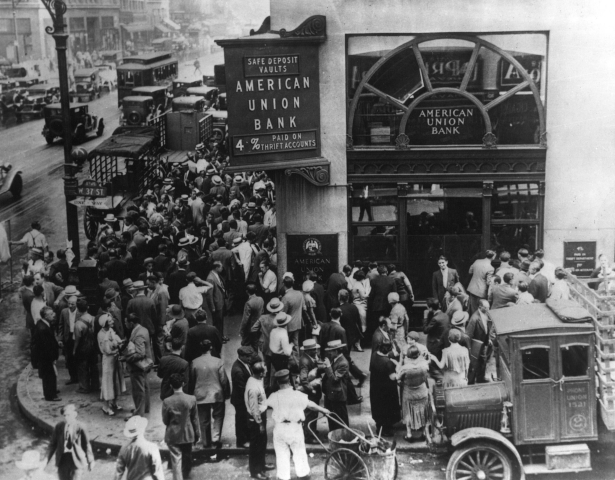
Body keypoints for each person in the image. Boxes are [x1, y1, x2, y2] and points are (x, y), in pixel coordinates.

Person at [266, 369, 330, 480]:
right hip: (295, 428)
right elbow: (311, 405)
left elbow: (263, 405)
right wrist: (324, 410)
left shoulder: (273, 396)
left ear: (277, 382)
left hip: (280, 428)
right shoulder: (298, 395)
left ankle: (283, 476)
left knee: (281, 454)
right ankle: (303, 474)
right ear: (290, 381)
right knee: (299, 451)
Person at [188, 339, 230, 449]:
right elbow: (223, 380)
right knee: (218, 416)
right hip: (216, 393)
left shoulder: (194, 362)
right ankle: (216, 439)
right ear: (210, 348)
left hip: (200, 393)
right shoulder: (218, 361)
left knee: (203, 419)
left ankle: (206, 442)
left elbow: (192, 380)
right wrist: (226, 392)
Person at [162, 373, 201, 480]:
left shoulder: (167, 401)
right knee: (187, 457)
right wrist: (197, 434)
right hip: (188, 434)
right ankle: (187, 476)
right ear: (183, 384)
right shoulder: (191, 399)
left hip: (173, 434)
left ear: (171, 385)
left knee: (176, 461)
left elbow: (165, 420)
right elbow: (195, 419)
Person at [46, 404, 94, 480]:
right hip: (62, 459)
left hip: (76, 458)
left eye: (69, 415)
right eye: (65, 415)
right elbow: (52, 444)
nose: (66, 418)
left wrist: (90, 461)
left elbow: (87, 445)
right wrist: (46, 459)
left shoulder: (81, 427)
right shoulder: (59, 426)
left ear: (75, 414)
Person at [245, 362, 275, 480]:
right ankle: (255, 471)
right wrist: (260, 424)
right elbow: (254, 409)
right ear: (261, 373)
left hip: (261, 416)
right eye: (265, 370)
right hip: (256, 419)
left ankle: (261, 465)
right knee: (256, 446)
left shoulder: (257, 379)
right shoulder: (253, 387)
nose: (267, 371)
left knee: (262, 443)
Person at [114, 416, 165, 480]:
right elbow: (157, 472)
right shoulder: (152, 447)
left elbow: (118, 472)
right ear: (143, 429)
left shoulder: (124, 448)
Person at [398, 345, 430, 442]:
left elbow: (398, 378)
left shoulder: (405, 368)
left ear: (408, 355)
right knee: (423, 412)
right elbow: (426, 378)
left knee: (408, 412)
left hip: (409, 392)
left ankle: (409, 434)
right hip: (422, 391)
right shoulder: (424, 365)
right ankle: (424, 432)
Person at [252, 298, 284, 391]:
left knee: (266, 367)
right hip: (277, 348)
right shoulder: (281, 319)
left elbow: (253, 329)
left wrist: (261, 335)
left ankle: (265, 387)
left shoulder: (262, 318)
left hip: (265, 346)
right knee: (277, 368)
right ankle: (275, 387)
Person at [370, 341, 401, 436]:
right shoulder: (388, 363)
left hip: (375, 387)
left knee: (378, 407)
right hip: (387, 390)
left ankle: (379, 427)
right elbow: (393, 377)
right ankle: (386, 430)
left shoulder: (375, 355)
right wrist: (398, 366)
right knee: (387, 408)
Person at [124, 313, 152, 417]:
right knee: (144, 386)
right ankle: (145, 408)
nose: (125, 324)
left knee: (138, 389)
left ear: (131, 323)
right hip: (145, 363)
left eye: (126, 322)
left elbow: (140, 353)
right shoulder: (143, 329)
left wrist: (126, 358)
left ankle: (139, 412)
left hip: (138, 365)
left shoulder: (138, 334)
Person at [98, 314, 126, 416]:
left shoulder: (111, 331)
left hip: (115, 359)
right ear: (105, 323)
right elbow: (106, 350)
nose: (112, 322)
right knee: (107, 382)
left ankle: (114, 402)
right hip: (108, 360)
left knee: (116, 380)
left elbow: (117, 341)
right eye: (110, 321)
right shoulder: (101, 335)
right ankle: (106, 406)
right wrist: (116, 348)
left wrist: (121, 343)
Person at [32, 306, 61, 401]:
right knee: (49, 375)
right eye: (51, 314)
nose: (54, 315)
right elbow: (45, 346)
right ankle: (50, 395)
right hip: (46, 358)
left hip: (46, 357)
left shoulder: (44, 324)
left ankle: (52, 390)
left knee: (51, 375)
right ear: (45, 316)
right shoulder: (43, 329)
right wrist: (52, 358)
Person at [231, 346, 257, 449]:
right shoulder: (238, 370)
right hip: (241, 400)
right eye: (247, 357)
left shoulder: (244, 364)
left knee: (245, 419)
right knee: (241, 420)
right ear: (241, 356)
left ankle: (246, 438)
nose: (250, 359)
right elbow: (242, 389)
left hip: (243, 398)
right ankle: (242, 441)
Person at [322, 339, 350, 431]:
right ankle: (334, 434)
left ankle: (343, 436)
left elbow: (334, 379)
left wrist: (328, 367)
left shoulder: (343, 363)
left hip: (338, 396)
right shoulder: (335, 359)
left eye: (331, 351)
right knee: (332, 418)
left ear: (336, 351)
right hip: (332, 395)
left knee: (341, 419)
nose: (329, 353)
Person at [466, 299, 496, 384]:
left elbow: (486, 328)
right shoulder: (474, 318)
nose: (488, 309)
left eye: (488, 307)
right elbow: (469, 334)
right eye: (486, 308)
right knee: (474, 363)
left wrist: (488, 339)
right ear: (480, 307)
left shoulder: (485, 314)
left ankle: (480, 378)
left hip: (482, 343)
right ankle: (471, 381)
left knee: (483, 360)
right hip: (476, 345)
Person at [73, 300, 98, 394]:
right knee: (93, 366)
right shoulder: (94, 318)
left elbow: (77, 338)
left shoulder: (78, 323)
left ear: (78, 310)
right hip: (93, 345)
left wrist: (74, 349)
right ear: (88, 307)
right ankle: (95, 385)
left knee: (82, 367)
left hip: (83, 347)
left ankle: (84, 387)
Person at [367, 265, 396, 340]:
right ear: (386, 272)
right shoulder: (392, 280)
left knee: (377, 324)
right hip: (388, 306)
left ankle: (378, 339)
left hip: (376, 306)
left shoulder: (374, 280)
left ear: (378, 272)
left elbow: (371, 294)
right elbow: (394, 294)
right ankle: (388, 339)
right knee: (388, 323)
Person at [59, 296, 79, 385]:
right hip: (68, 337)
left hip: (77, 337)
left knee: (78, 358)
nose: (70, 305)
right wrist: (60, 338)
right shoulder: (64, 312)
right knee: (69, 358)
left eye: (72, 304)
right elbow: (61, 326)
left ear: (76, 304)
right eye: (69, 303)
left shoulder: (80, 312)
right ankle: (72, 377)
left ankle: (80, 377)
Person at [467, 250, 496, 315]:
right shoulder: (491, 268)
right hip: (481, 291)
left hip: (472, 288)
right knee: (481, 310)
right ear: (493, 257)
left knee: (473, 309)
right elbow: (489, 282)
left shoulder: (477, 261)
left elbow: (470, 272)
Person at [206, 260, 228, 341]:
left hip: (220, 302)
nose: (222, 268)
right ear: (216, 268)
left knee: (220, 321)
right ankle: (218, 339)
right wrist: (212, 307)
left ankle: (221, 336)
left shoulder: (216, 274)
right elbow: (209, 295)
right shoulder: (210, 278)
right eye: (221, 267)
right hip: (216, 304)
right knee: (217, 322)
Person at [281, 274, 305, 348]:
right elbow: (304, 307)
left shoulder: (286, 297)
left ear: (284, 285)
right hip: (298, 323)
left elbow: (282, 313)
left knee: (286, 344)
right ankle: (296, 358)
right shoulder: (300, 293)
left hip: (289, 325)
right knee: (295, 343)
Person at [269, 312, 294, 376]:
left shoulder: (273, 330)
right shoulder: (283, 333)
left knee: (276, 374)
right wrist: (291, 346)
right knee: (284, 376)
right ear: (286, 323)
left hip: (273, 355)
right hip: (281, 358)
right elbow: (287, 352)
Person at [240, 283, 264, 347]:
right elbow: (262, 311)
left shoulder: (248, 303)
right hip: (259, 325)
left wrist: (241, 330)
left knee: (245, 344)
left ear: (247, 292)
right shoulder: (261, 299)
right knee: (255, 343)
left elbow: (245, 319)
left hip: (250, 327)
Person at [348, 269, 370, 335]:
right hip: (360, 307)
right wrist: (369, 290)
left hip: (357, 304)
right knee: (362, 324)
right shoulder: (359, 286)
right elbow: (363, 296)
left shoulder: (356, 284)